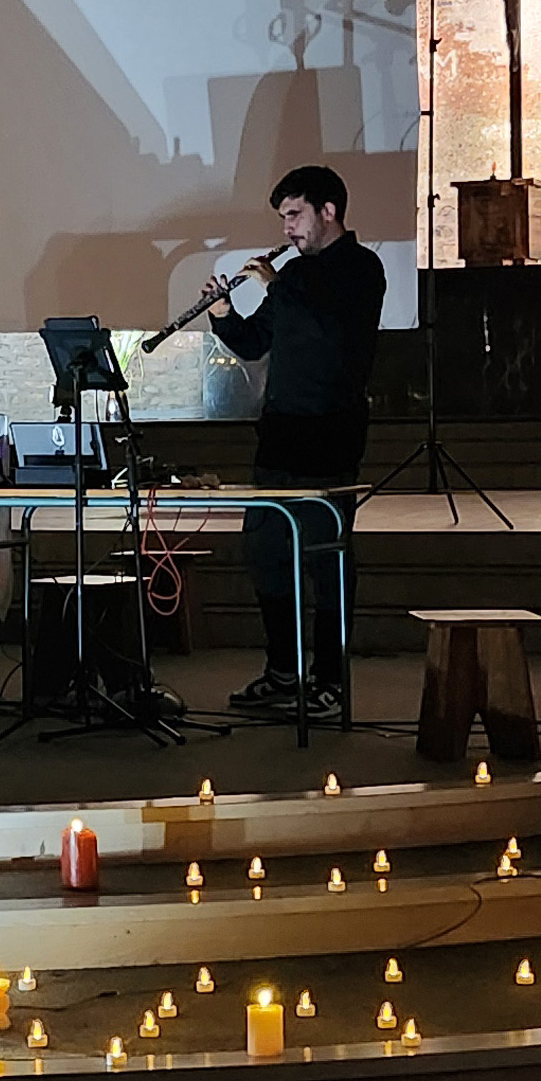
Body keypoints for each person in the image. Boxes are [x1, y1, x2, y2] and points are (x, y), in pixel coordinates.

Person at [207, 166, 386, 720]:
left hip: (330, 432)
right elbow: (255, 342)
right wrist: (223, 315)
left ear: (328, 211)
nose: (287, 228)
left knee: (325, 558)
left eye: (294, 214)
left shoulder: (360, 268)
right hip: (280, 432)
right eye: (283, 217)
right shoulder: (294, 275)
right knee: (266, 552)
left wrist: (278, 286)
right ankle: (283, 670)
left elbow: (329, 333)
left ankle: (330, 679)